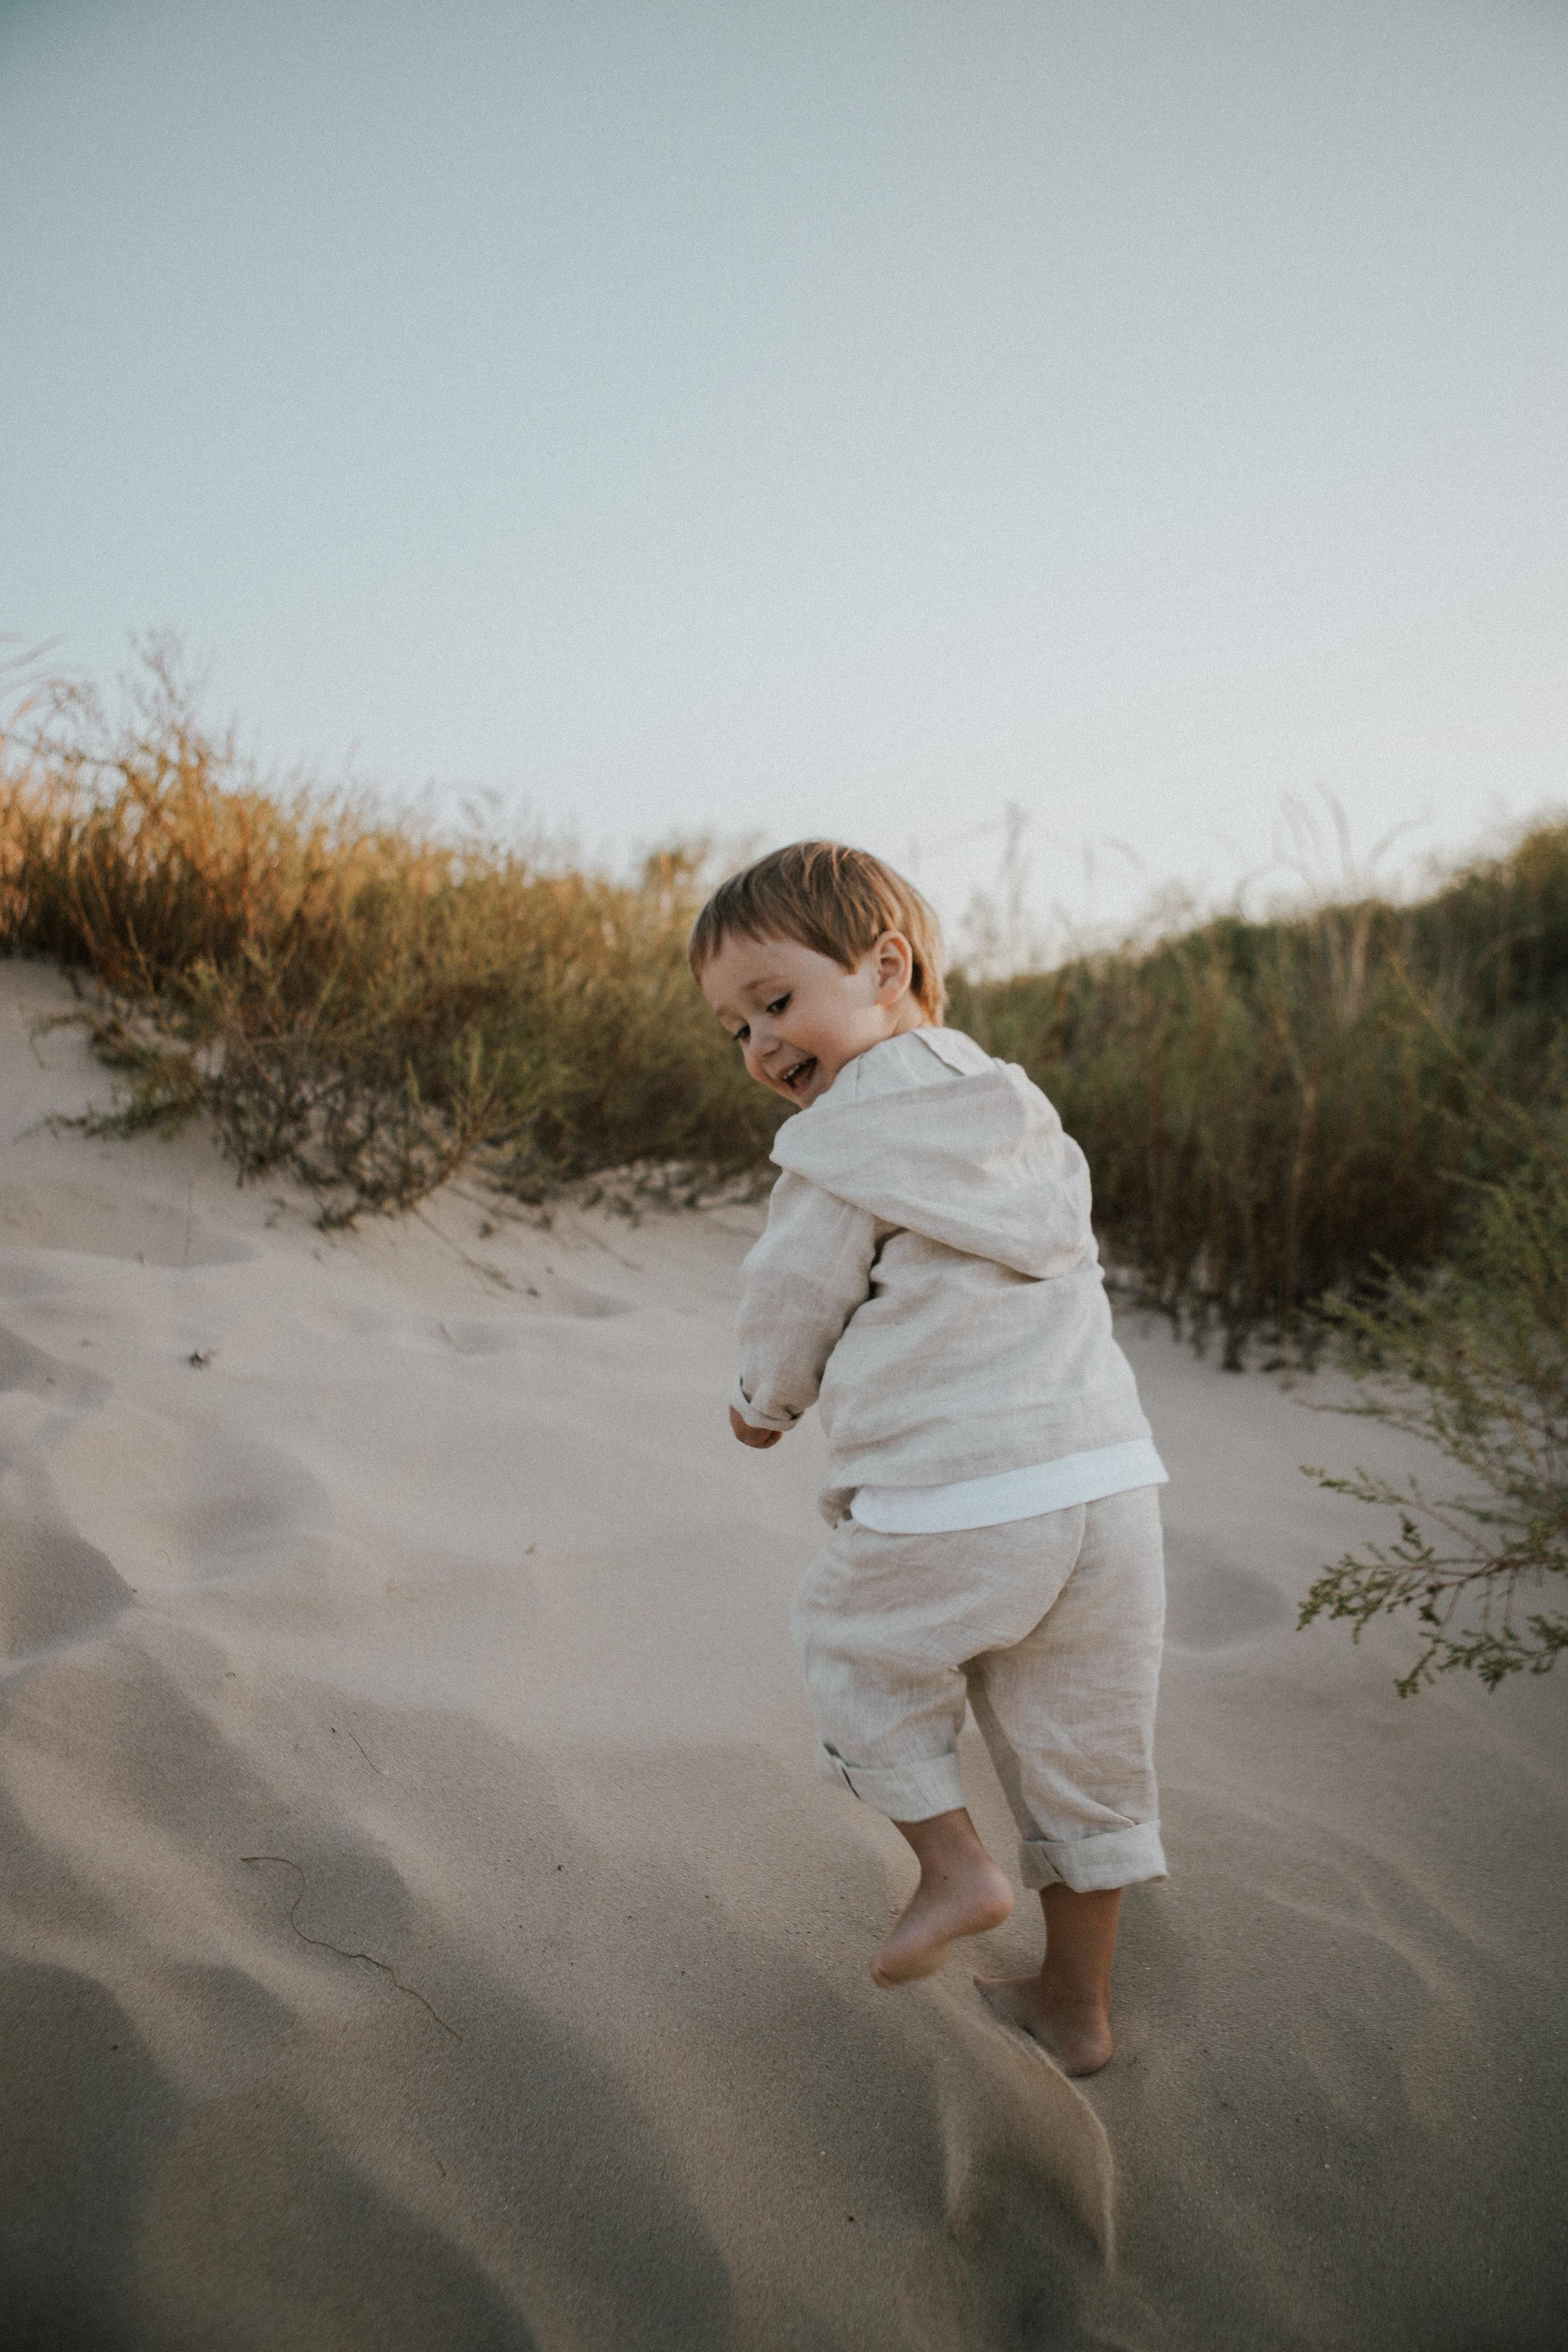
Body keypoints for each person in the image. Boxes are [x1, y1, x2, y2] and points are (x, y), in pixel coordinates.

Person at [688, 841, 1167, 2076]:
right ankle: (1075, 2009)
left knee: (852, 1642)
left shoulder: (848, 1137)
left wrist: (761, 1403)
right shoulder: (1012, 1104)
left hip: (958, 1492)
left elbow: (793, 1290)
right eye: (734, 1028)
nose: (758, 1045)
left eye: (776, 1001)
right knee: (1082, 1754)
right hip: (1108, 1487)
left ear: (885, 965)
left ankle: (954, 1866)